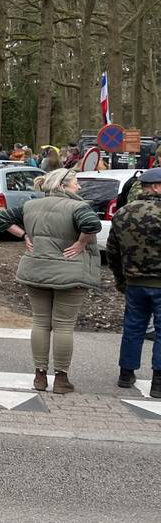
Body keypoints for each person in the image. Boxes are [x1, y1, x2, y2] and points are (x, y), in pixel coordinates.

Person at [0, 168, 102, 394]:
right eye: (76, 183)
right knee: (63, 325)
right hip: (70, 274)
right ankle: (61, 380)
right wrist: (81, 244)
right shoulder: (78, 206)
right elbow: (92, 225)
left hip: (35, 270)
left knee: (41, 323)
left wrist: (24, 235)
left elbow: (1, 218)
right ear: (63, 186)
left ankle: (39, 377)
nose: (79, 188)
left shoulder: (30, 205)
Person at [107, 168, 161, 397]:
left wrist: (121, 280)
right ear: (157, 187)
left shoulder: (123, 213)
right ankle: (158, 382)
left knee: (133, 327)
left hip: (134, 282)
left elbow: (112, 251)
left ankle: (126, 373)